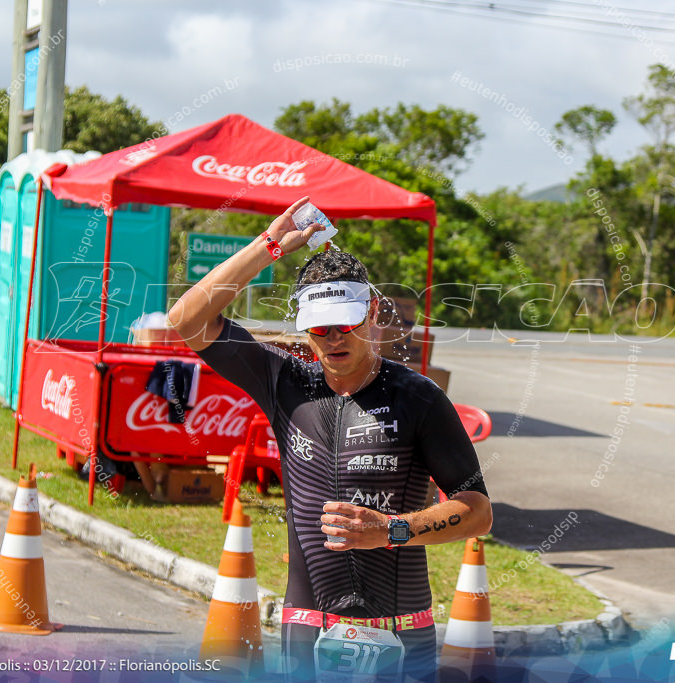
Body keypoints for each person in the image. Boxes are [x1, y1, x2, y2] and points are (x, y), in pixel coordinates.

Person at [168, 197, 493, 682]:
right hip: (308, 630)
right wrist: (270, 244)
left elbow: (477, 511)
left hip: (402, 631)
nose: (334, 339)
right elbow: (186, 321)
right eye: (319, 328)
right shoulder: (284, 382)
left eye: (347, 323)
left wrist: (392, 530)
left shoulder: (418, 398)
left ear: (375, 312)